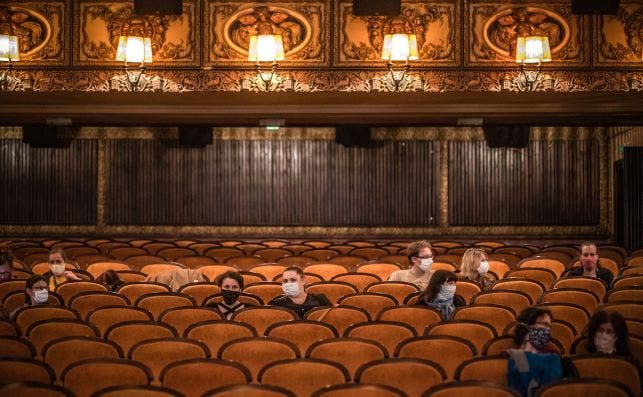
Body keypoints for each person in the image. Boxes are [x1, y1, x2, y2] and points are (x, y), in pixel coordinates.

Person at [507, 306, 563, 397]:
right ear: (528, 324)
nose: (547, 329)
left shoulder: (552, 353)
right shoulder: (508, 352)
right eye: (545, 324)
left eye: (549, 326)